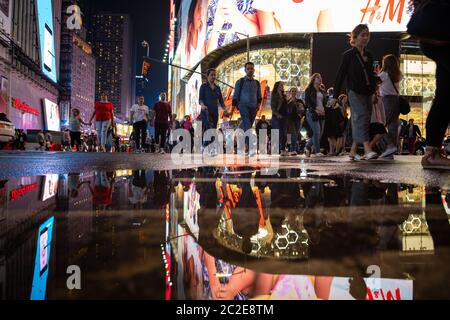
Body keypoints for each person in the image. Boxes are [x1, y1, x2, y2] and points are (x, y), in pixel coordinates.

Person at [407, 1, 450, 169]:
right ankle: (432, 153)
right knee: (445, 96)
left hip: (436, 36)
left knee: (445, 95)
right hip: (440, 34)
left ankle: (432, 153)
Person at [331, 24, 378, 161]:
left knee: (363, 119)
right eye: (362, 35)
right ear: (355, 37)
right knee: (361, 116)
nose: (365, 38)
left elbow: (371, 75)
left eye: (367, 35)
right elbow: (340, 76)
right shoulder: (348, 55)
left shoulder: (370, 55)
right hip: (354, 91)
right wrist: (335, 96)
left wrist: (374, 91)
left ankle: (352, 151)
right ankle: (367, 148)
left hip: (367, 92)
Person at [375, 54, 403, 159]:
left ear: (385, 63)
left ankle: (390, 145)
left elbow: (375, 82)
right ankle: (390, 152)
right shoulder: (398, 75)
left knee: (381, 124)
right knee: (392, 126)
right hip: (396, 101)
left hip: (386, 100)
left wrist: (377, 73)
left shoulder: (384, 75)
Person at [232, 62, 262, 155]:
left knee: (246, 127)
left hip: (253, 107)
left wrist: (258, 106)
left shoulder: (257, 83)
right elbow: (235, 95)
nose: (250, 70)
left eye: (251, 68)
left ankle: (244, 144)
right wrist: (233, 108)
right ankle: (250, 147)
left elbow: (259, 96)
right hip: (243, 106)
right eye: (248, 68)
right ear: (245, 70)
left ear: (254, 70)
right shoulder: (240, 82)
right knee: (248, 126)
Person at [199, 68, 226, 155]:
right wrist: (202, 105)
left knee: (212, 130)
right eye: (211, 75)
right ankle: (211, 149)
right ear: (207, 76)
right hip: (206, 112)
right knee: (210, 130)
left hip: (215, 113)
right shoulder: (203, 87)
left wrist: (225, 110)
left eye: (214, 75)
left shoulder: (218, 88)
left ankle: (204, 145)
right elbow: (200, 99)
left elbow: (221, 101)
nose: (213, 77)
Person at [304, 73, 327, 157]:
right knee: (316, 132)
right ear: (313, 79)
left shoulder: (322, 90)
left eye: (320, 77)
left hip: (322, 113)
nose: (320, 79)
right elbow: (307, 102)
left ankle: (307, 146)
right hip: (312, 113)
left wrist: (324, 109)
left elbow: (324, 102)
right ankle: (317, 151)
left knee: (318, 134)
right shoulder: (309, 89)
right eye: (318, 77)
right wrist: (315, 109)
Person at [369, 80, 387, 154]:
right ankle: (369, 147)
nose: (379, 87)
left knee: (380, 132)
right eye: (378, 86)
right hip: (372, 120)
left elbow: (381, 110)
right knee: (381, 131)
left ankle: (369, 147)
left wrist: (383, 121)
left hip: (376, 120)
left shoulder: (379, 96)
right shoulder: (373, 95)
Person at [270, 81, 288, 156]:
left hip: (284, 117)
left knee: (284, 134)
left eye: (282, 85)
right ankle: (274, 149)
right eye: (281, 85)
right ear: (277, 86)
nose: (282, 86)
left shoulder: (284, 95)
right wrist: (277, 115)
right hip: (277, 116)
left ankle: (283, 149)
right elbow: (273, 107)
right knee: (277, 133)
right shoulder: (274, 95)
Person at [286, 87, 303, 156]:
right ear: (290, 92)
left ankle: (293, 149)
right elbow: (286, 110)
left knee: (296, 133)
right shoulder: (288, 101)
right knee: (294, 133)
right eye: (292, 91)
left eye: (295, 91)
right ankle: (293, 149)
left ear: (297, 92)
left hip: (297, 119)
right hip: (290, 120)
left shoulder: (299, 101)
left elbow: (303, 109)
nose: (293, 92)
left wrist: (301, 113)